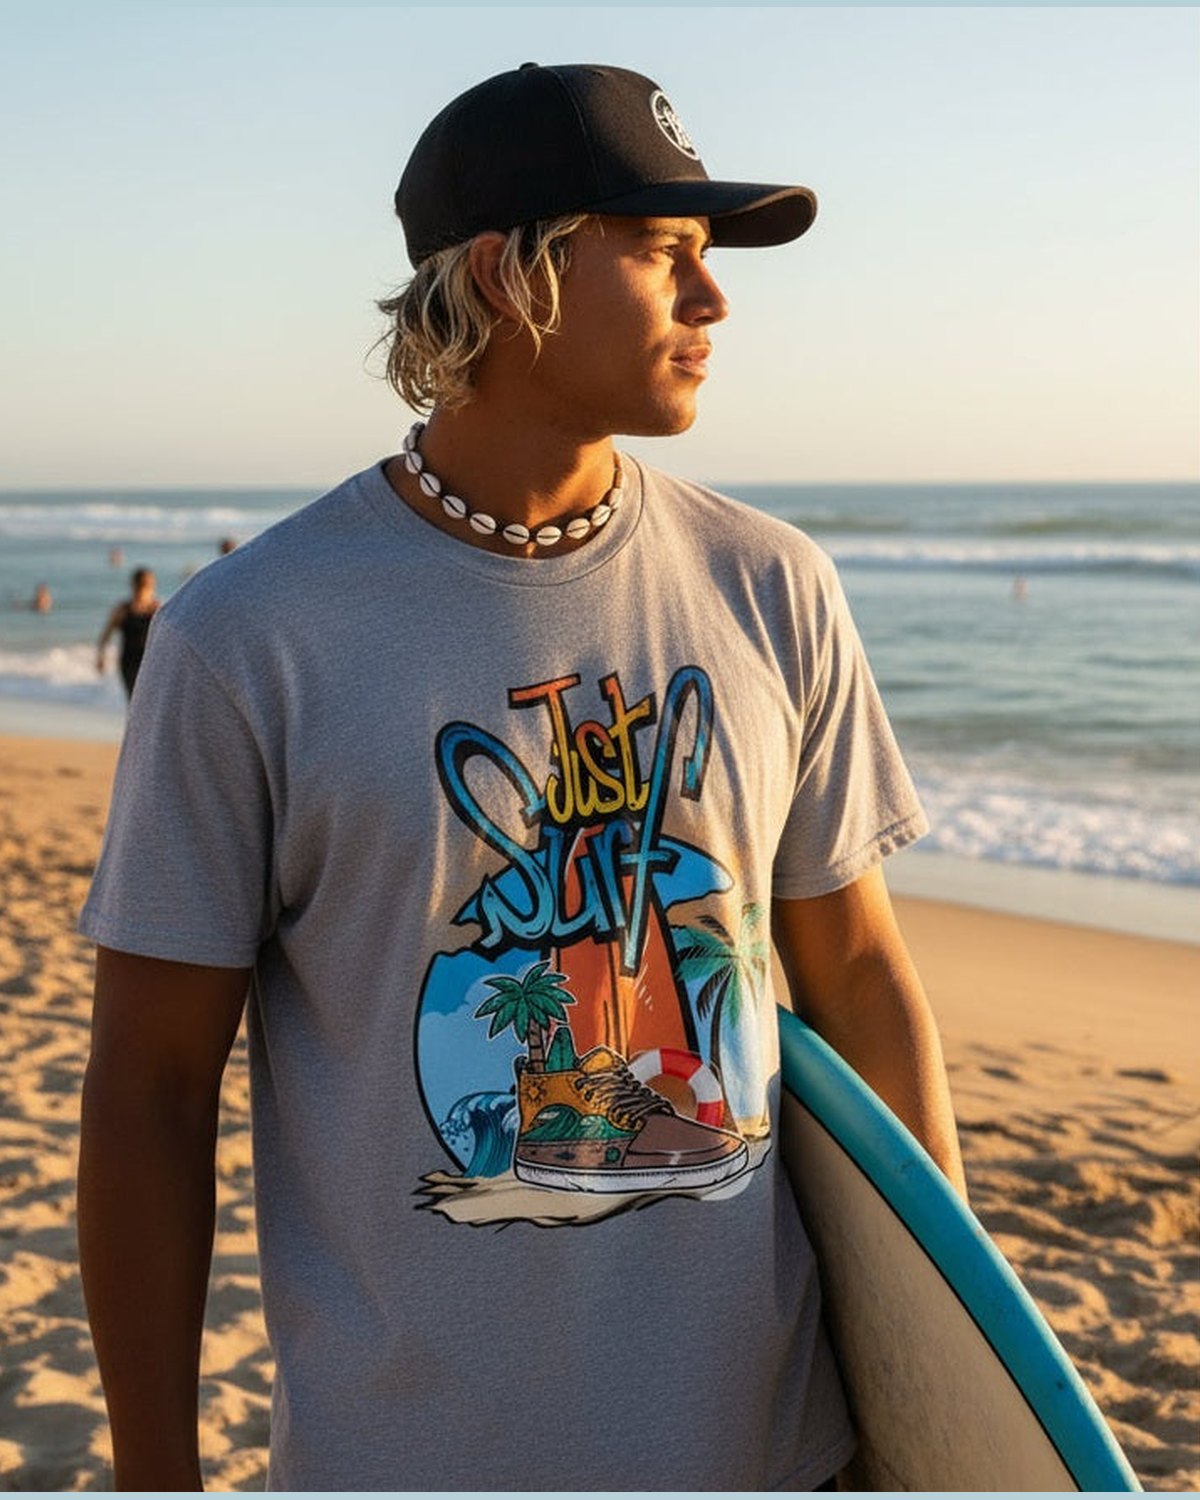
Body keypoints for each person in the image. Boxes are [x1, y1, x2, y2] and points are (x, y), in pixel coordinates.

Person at [78, 62, 965, 1491]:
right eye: (667, 251)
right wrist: (153, 1474)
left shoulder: (770, 585)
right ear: (511, 276)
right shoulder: (251, 640)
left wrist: (948, 1389)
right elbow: (150, 1091)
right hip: (411, 1459)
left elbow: (859, 982)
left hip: (779, 1455)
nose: (714, 300)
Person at [95, 568, 160, 698]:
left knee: (150, 702)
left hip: (150, 663)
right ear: (135, 585)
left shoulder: (156, 608)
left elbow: (168, 639)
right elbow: (106, 635)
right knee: (135, 702)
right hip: (129, 663)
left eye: (150, 584)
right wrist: (101, 657)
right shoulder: (123, 609)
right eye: (145, 584)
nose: (149, 588)